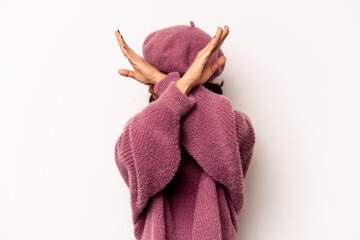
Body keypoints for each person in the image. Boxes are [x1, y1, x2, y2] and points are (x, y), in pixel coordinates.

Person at [114, 22, 256, 240]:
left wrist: (167, 84)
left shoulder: (235, 126)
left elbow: (228, 135)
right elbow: (137, 162)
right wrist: (182, 85)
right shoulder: (136, 132)